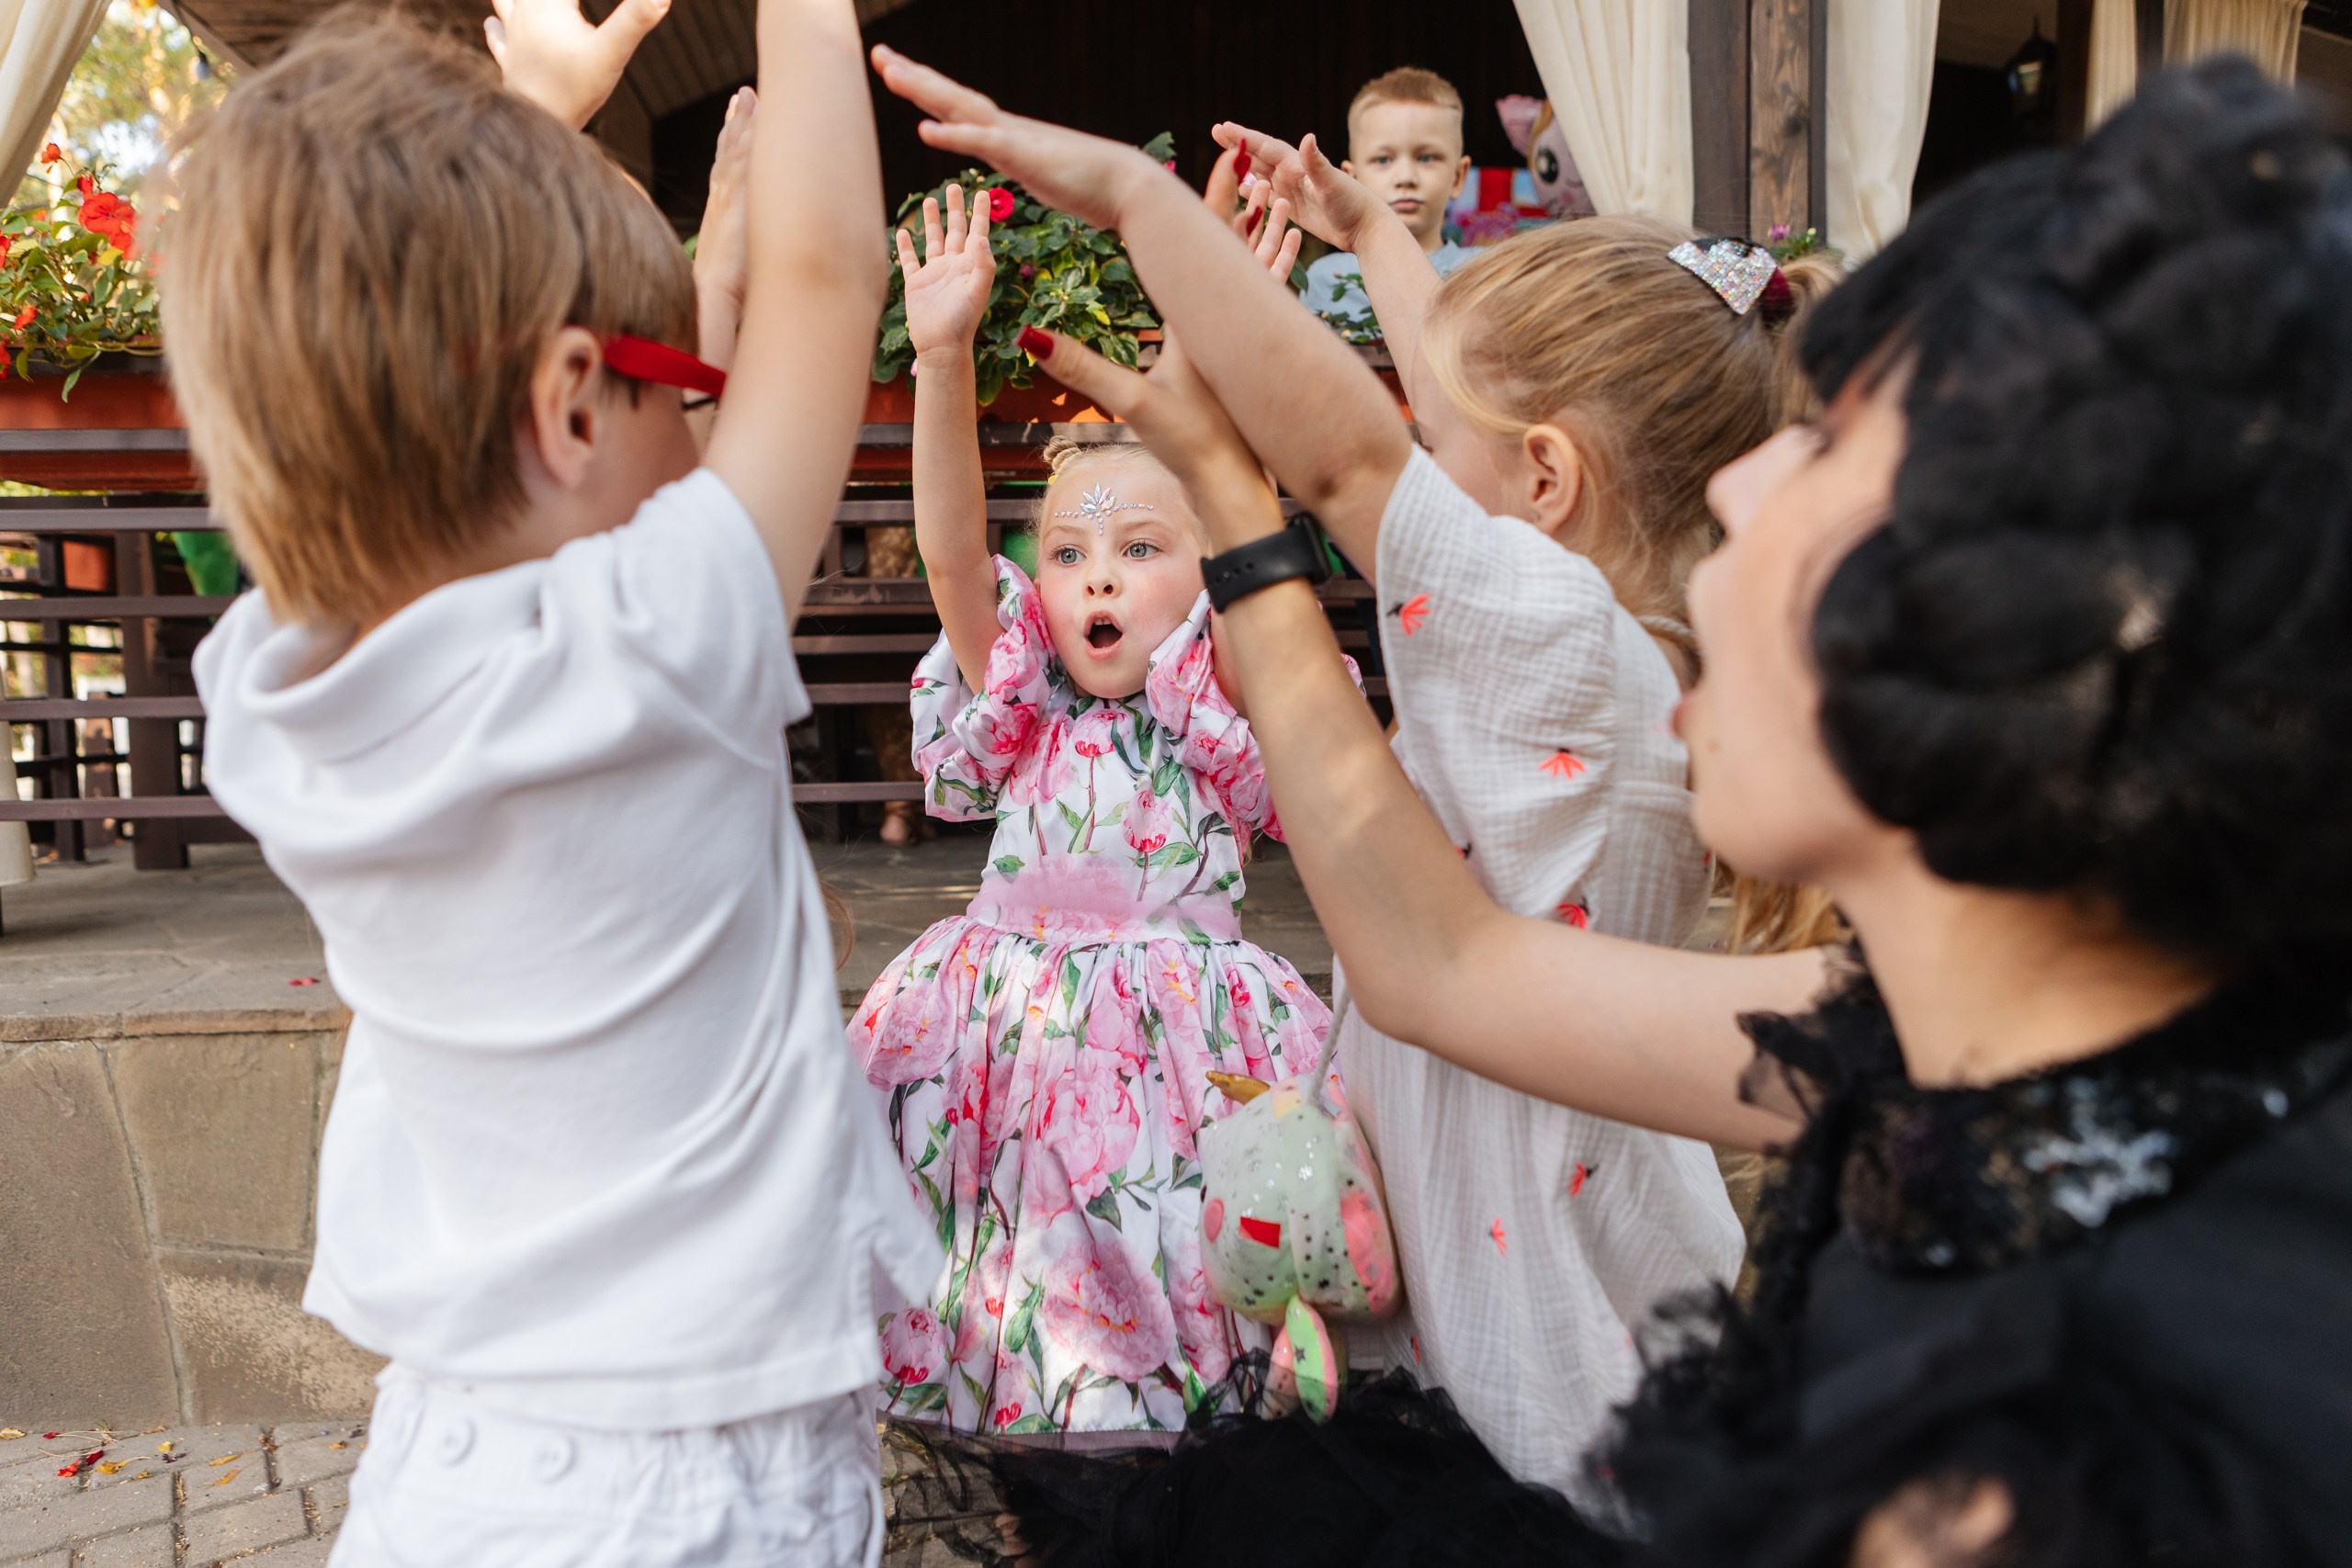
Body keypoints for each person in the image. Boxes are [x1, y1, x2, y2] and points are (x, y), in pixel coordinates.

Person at [872, 50, 2352, 1566]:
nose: (1756, 475)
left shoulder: (2109, 1387)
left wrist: (1141, 211)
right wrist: (1355, 260)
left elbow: (1358, 457)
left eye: (1838, 451)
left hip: (1536, 1414)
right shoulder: (1937, 1050)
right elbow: (1439, 966)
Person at [881, 61, 1837, 1496]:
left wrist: (1144, 204)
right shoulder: (1618, 637)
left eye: (1440, 450)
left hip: (1539, 1360)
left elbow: (1343, 455)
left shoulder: (1556, 630)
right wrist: (1370, 235)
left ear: (1548, 481)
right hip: (1559, 1245)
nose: (1418, 476)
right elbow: (1457, 414)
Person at [170, 2, 936, 1562]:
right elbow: (830, 275)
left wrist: (530, 130)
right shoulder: (647, 645)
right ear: (576, 403)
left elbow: (402, 416)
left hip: (450, 1469)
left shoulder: (277, 699)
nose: (712, 422)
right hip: (695, 1492)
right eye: (684, 380)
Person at [848, 182, 1343, 1435]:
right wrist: (947, 353)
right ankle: (1032, 1457)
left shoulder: (1219, 674)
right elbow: (958, 551)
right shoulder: (1024, 693)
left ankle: (1163, 1455)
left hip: (1177, 1029)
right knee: (1019, 1261)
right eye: (1069, 552)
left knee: (1168, 1251)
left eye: (1138, 546)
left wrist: (1217, 332)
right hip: (1009, 1023)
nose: (1099, 571)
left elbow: (1222, 486)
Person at [1294, 68, 1475, 340]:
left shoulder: (1484, 274)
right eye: (1383, 160)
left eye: (1426, 158)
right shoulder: (1327, 278)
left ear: (1458, 176)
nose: (1405, 178)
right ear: (1351, 179)